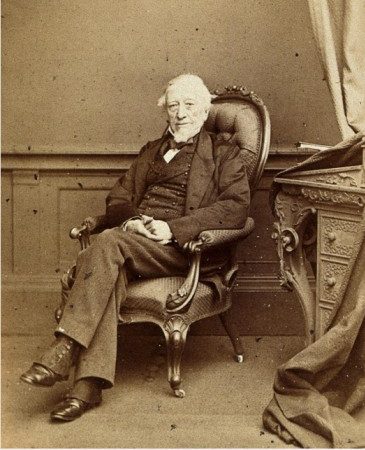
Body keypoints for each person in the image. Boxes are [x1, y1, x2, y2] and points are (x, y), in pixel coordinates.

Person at [20, 74, 250, 421]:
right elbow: (118, 197)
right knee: (109, 257)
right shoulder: (150, 152)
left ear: (205, 113)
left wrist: (171, 228)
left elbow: (235, 208)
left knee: (106, 243)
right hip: (134, 243)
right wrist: (131, 220)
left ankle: (65, 346)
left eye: (189, 106)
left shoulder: (224, 153)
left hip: (181, 249)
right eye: (173, 106)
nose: (181, 114)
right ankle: (86, 389)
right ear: (166, 113)